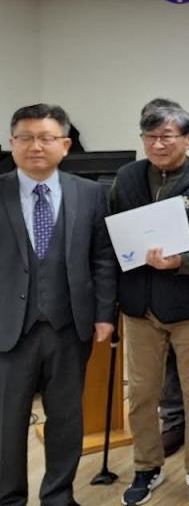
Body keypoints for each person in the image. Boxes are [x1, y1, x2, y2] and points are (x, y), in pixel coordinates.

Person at [0, 104, 116, 506]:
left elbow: (103, 258)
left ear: (65, 145)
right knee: (6, 421)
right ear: (12, 143)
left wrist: (104, 314)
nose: (36, 146)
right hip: (7, 328)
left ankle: (59, 496)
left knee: (66, 417)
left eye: (46, 138)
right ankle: (9, 498)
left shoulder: (90, 193)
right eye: (26, 138)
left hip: (70, 325)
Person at [113, 102, 189, 504]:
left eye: (167, 136)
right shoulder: (126, 177)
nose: (157, 144)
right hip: (139, 305)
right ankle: (147, 466)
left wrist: (181, 262)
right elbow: (109, 237)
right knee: (142, 392)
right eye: (150, 137)